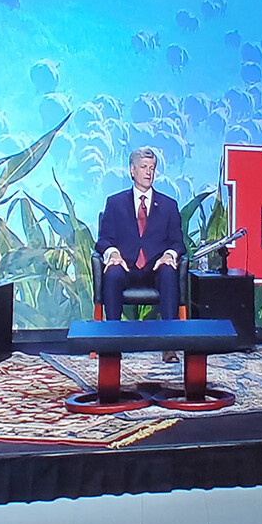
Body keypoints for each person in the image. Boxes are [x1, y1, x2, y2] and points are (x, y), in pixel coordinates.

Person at [95, 147, 186, 362]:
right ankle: (112, 344)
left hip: (155, 268)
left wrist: (170, 255)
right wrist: (113, 252)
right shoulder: (115, 203)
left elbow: (178, 242)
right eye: (144, 167)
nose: (148, 173)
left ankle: (169, 345)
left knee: (168, 272)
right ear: (132, 171)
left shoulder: (168, 205)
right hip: (126, 266)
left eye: (152, 168)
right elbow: (103, 240)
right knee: (113, 273)